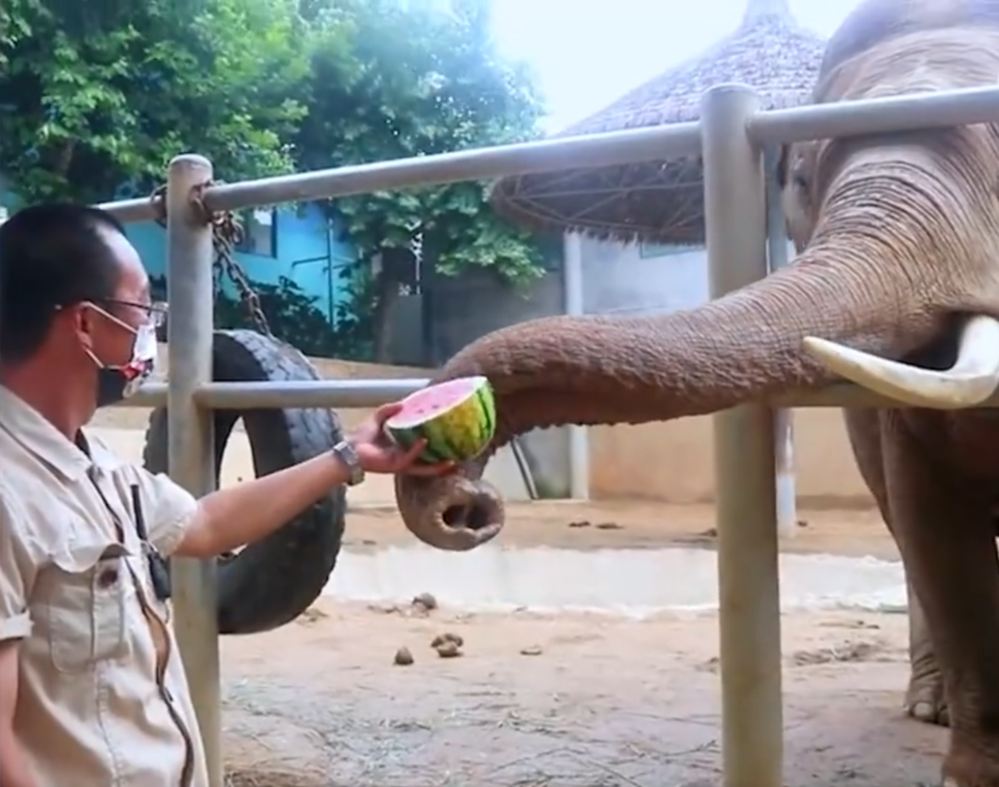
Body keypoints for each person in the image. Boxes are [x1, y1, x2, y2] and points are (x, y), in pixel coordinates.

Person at [0, 203, 450, 787]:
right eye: (140, 309)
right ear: (84, 324)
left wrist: (348, 458)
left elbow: (204, 524)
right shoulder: (11, 491)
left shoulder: (91, 466)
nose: (150, 331)